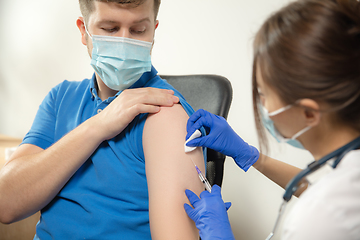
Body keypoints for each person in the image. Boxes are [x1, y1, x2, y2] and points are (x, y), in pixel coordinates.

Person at [0, 0, 206, 239]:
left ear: (153, 31)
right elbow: (6, 203)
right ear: (83, 30)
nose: (124, 42)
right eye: (110, 29)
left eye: (139, 30)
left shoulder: (165, 113)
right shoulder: (61, 98)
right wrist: (99, 126)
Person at [183, 0, 360, 239]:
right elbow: (318, 188)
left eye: (264, 94)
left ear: (308, 113)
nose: (262, 106)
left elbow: (327, 204)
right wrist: (250, 155)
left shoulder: (322, 216)